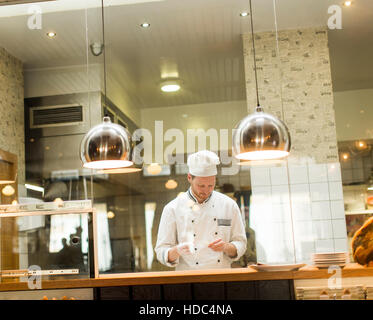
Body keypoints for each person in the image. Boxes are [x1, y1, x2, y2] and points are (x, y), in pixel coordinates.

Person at [155, 150, 247, 270]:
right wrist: (177, 250)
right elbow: (161, 251)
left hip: (221, 276)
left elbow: (241, 243)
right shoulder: (172, 208)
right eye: (201, 185)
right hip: (188, 279)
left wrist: (226, 247)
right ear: (189, 178)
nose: (206, 190)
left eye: (211, 185)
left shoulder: (229, 205)